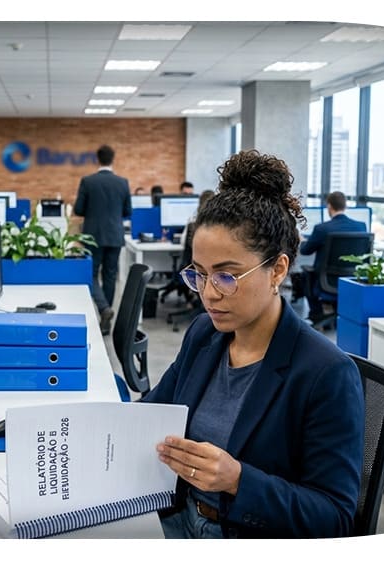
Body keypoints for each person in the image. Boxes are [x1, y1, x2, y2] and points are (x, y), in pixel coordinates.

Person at [142, 150, 364, 539]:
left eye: (226, 277)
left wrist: (238, 480)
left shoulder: (325, 373)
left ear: (277, 269)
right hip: (175, 514)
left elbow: (335, 516)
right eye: (199, 275)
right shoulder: (203, 335)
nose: (208, 295)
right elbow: (150, 414)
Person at [73, 144, 132, 336]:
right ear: (112, 159)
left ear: (97, 159)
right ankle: (105, 317)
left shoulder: (88, 181)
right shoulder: (122, 182)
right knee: (110, 275)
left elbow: (79, 209)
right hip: (115, 235)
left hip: (93, 236)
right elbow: (127, 212)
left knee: (90, 274)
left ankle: (103, 308)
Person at [298, 191, 367, 322]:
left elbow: (305, 251)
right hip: (352, 279)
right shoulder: (361, 226)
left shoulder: (322, 229)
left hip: (327, 282)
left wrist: (301, 240)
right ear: (345, 206)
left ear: (329, 206)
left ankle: (317, 315)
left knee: (306, 273)